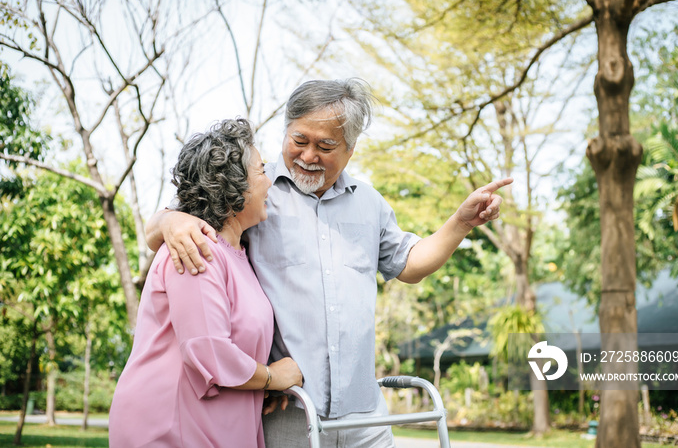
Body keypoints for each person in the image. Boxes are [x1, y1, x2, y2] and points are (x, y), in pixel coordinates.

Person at [146, 79, 513, 447]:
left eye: (325, 146)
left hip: (366, 412)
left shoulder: (369, 203)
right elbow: (193, 218)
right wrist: (167, 220)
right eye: (299, 141)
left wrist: (461, 223)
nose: (308, 156)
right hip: (289, 408)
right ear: (286, 131)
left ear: (350, 149)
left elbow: (410, 264)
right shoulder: (255, 190)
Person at [109, 119, 303, 448]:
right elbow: (209, 350)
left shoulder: (239, 254)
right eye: (260, 171)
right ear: (234, 186)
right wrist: (272, 376)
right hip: (168, 428)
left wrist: (261, 383)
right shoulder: (196, 248)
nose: (270, 181)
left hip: (215, 425)